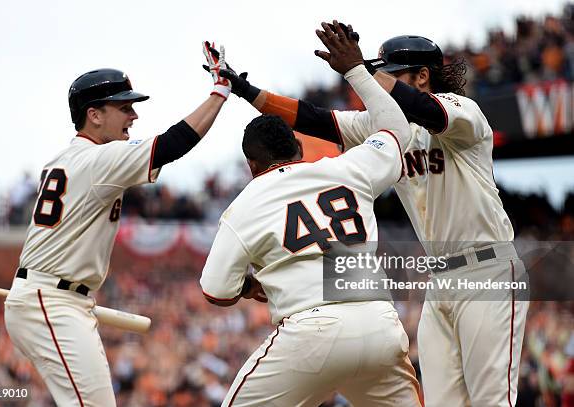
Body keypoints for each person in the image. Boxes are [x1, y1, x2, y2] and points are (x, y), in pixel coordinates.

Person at [217, 24, 529, 407]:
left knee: (491, 400)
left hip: (489, 271)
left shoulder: (464, 112)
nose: (377, 83)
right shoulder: (381, 128)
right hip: (439, 278)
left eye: (389, 73)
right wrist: (246, 91)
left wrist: (357, 69)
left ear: (422, 76)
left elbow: (425, 109)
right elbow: (313, 119)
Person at [200, 24, 421, 407]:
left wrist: (249, 287)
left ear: (252, 164)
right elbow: (396, 128)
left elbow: (215, 289)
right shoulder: (347, 168)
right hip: (379, 322)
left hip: (311, 331)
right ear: (299, 147)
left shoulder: (246, 203)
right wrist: (356, 70)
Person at [4, 42, 232, 406]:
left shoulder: (68, 157)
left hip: (54, 298)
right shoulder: (99, 158)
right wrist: (220, 92)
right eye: (124, 107)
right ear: (94, 115)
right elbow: (173, 144)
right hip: (53, 300)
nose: (134, 116)